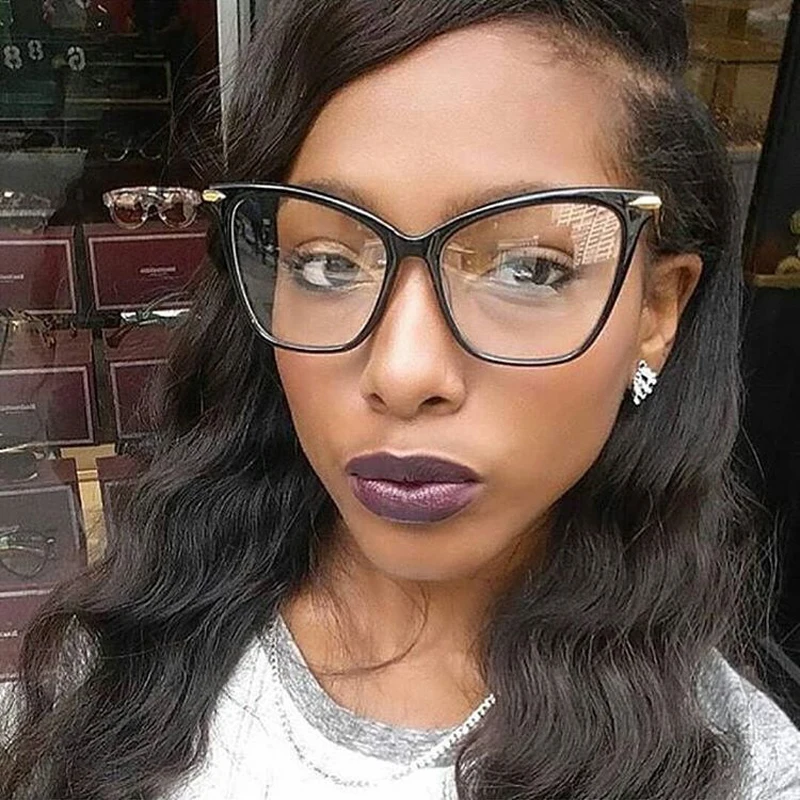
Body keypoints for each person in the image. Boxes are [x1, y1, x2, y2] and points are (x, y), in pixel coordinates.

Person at [3, 0, 800, 797]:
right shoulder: (119, 659)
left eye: (527, 268)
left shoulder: (739, 772)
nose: (403, 371)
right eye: (327, 263)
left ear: (656, 309)